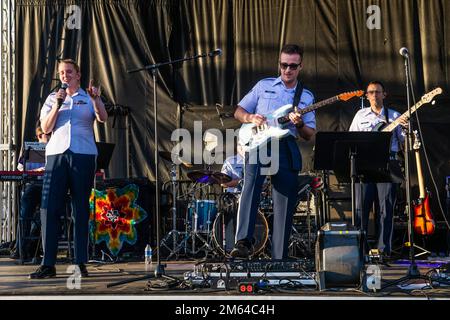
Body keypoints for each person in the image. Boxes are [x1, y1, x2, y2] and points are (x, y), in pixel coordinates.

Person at [231, 44, 316, 259]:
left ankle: (280, 255)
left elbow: (309, 134)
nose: (287, 70)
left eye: (292, 66)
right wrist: (251, 118)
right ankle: (243, 243)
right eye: (284, 65)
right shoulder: (263, 85)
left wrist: (298, 124)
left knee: (285, 200)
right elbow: (239, 111)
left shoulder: (305, 96)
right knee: (250, 187)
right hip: (258, 143)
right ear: (279, 64)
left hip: (286, 145)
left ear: (300, 67)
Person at [29, 59, 108, 279]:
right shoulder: (53, 98)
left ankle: (80, 262)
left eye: (69, 72)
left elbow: (102, 117)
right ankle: (48, 264)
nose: (65, 76)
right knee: (49, 208)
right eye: (62, 73)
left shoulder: (87, 96)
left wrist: (96, 99)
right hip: (56, 155)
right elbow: (45, 127)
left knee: (80, 209)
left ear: (78, 75)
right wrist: (57, 104)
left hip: (83, 155)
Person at [349, 80, 407, 257]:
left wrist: (406, 128)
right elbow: (351, 139)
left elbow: (405, 145)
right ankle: (361, 251)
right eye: (371, 92)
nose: (374, 95)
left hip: (388, 164)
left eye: (377, 92)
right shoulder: (360, 115)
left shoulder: (395, 116)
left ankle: (384, 251)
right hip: (365, 165)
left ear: (384, 94)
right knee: (361, 210)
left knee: (386, 209)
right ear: (367, 96)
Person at [11, 126, 49, 260]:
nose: (48, 137)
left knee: (44, 215)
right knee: (25, 212)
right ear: (39, 136)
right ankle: (20, 248)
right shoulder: (30, 149)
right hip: (33, 185)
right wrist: (37, 170)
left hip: (49, 186)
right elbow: (20, 167)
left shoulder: (56, 149)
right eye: (46, 134)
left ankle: (34, 248)